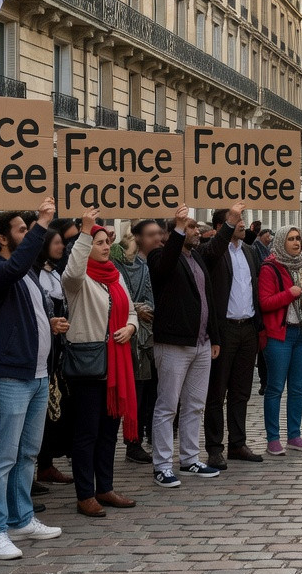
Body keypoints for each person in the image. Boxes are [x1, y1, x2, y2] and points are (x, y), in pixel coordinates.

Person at [0, 199, 68, 561]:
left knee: (27, 454)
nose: (29, 235)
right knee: (1, 457)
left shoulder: (26, 271)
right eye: (22, 230)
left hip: (37, 375)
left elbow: (26, 312)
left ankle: (20, 517)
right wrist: (43, 222)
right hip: (8, 376)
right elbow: (12, 271)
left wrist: (49, 325)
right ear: (1, 238)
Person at [60, 211, 139, 518]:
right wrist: (84, 231)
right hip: (89, 365)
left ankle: (105, 487)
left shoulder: (115, 275)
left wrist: (130, 328)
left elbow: (130, 311)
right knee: (87, 433)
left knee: (108, 431)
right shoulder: (77, 281)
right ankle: (85, 494)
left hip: (116, 364)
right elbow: (72, 271)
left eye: (107, 242)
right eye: (99, 242)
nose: (106, 247)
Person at [148, 206, 225, 487]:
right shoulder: (161, 257)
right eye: (190, 227)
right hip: (174, 344)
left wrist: (214, 338)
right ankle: (162, 465)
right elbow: (165, 264)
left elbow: (209, 300)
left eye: (193, 227)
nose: (196, 231)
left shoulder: (197, 258)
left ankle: (190, 459)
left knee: (194, 405)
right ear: (172, 233)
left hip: (201, 344)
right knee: (167, 406)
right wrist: (178, 228)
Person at [201, 204, 263, 468]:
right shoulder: (211, 251)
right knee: (217, 391)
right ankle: (215, 447)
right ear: (220, 227)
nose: (241, 223)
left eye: (242, 219)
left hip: (247, 328)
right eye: (235, 220)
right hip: (223, 329)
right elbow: (213, 250)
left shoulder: (249, 251)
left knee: (241, 391)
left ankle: (238, 443)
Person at [258, 226, 302, 455]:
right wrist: (291, 293)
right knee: (275, 388)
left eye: (298, 238)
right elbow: (265, 303)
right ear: (280, 242)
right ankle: (273, 438)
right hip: (279, 336)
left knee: (297, 388)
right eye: (290, 239)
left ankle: (294, 435)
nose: (296, 243)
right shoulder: (270, 267)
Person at [116, 220, 163, 465]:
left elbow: (150, 297)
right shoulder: (119, 263)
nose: (157, 238)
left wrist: (145, 307)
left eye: (159, 233)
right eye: (151, 234)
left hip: (148, 335)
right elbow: (115, 294)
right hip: (125, 334)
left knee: (148, 390)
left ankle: (144, 437)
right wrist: (135, 308)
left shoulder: (147, 265)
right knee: (135, 391)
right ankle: (132, 442)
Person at [33, 227, 73, 489]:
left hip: (58, 349)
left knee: (54, 411)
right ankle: (35, 467)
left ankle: (46, 464)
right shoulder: (35, 274)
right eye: (58, 242)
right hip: (41, 350)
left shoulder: (55, 272)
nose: (62, 247)